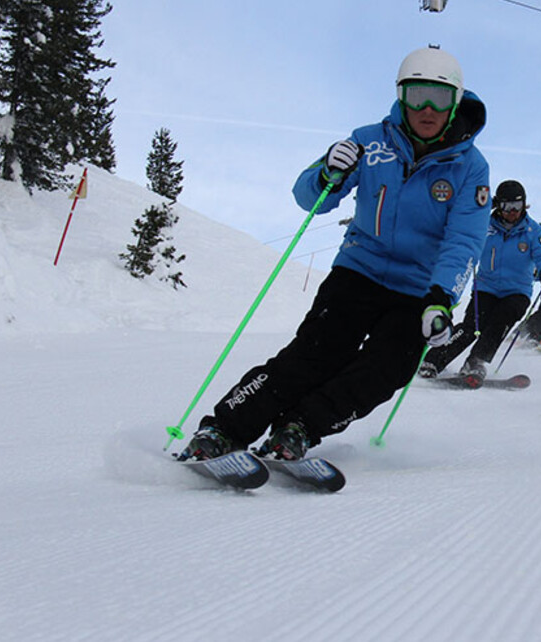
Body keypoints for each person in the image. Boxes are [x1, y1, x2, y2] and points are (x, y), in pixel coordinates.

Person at [177, 45, 490, 462]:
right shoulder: (368, 140)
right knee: (317, 352)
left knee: (387, 368)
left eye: (440, 98)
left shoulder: (471, 167)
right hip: (358, 271)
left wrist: (440, 299)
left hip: (418, 289)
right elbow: (310, 197)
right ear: (401, 97)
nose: (427, 109)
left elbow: (464, 239)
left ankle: (300, 427)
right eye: (417, 96)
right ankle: (225, 429)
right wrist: (328, 171)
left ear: (455, 103)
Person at [417, 179, 541, 385]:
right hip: (486, 287)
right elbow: (461, 230)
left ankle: (476, 362)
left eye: (517, 206)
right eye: (507, 206)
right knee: (472, 326)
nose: (512, 212)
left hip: (516, 291)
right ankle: (433, 361)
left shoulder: (533, 230)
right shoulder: (483, 226)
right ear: (498, 205)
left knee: (501, 320)